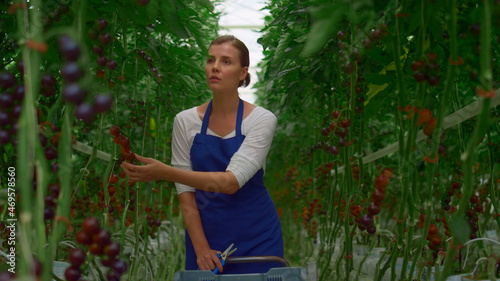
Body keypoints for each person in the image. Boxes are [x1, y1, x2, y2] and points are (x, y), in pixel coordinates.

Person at [121, 35, 284, 274]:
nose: (215, 67)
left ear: (242, 73)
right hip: (206, 233)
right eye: (211, 60)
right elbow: (186, 194)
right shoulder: (185, 121)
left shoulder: (261, 120)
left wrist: (165, 172)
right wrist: (201, 249)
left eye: (226, 61)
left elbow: (231, 182)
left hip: (258, 233)